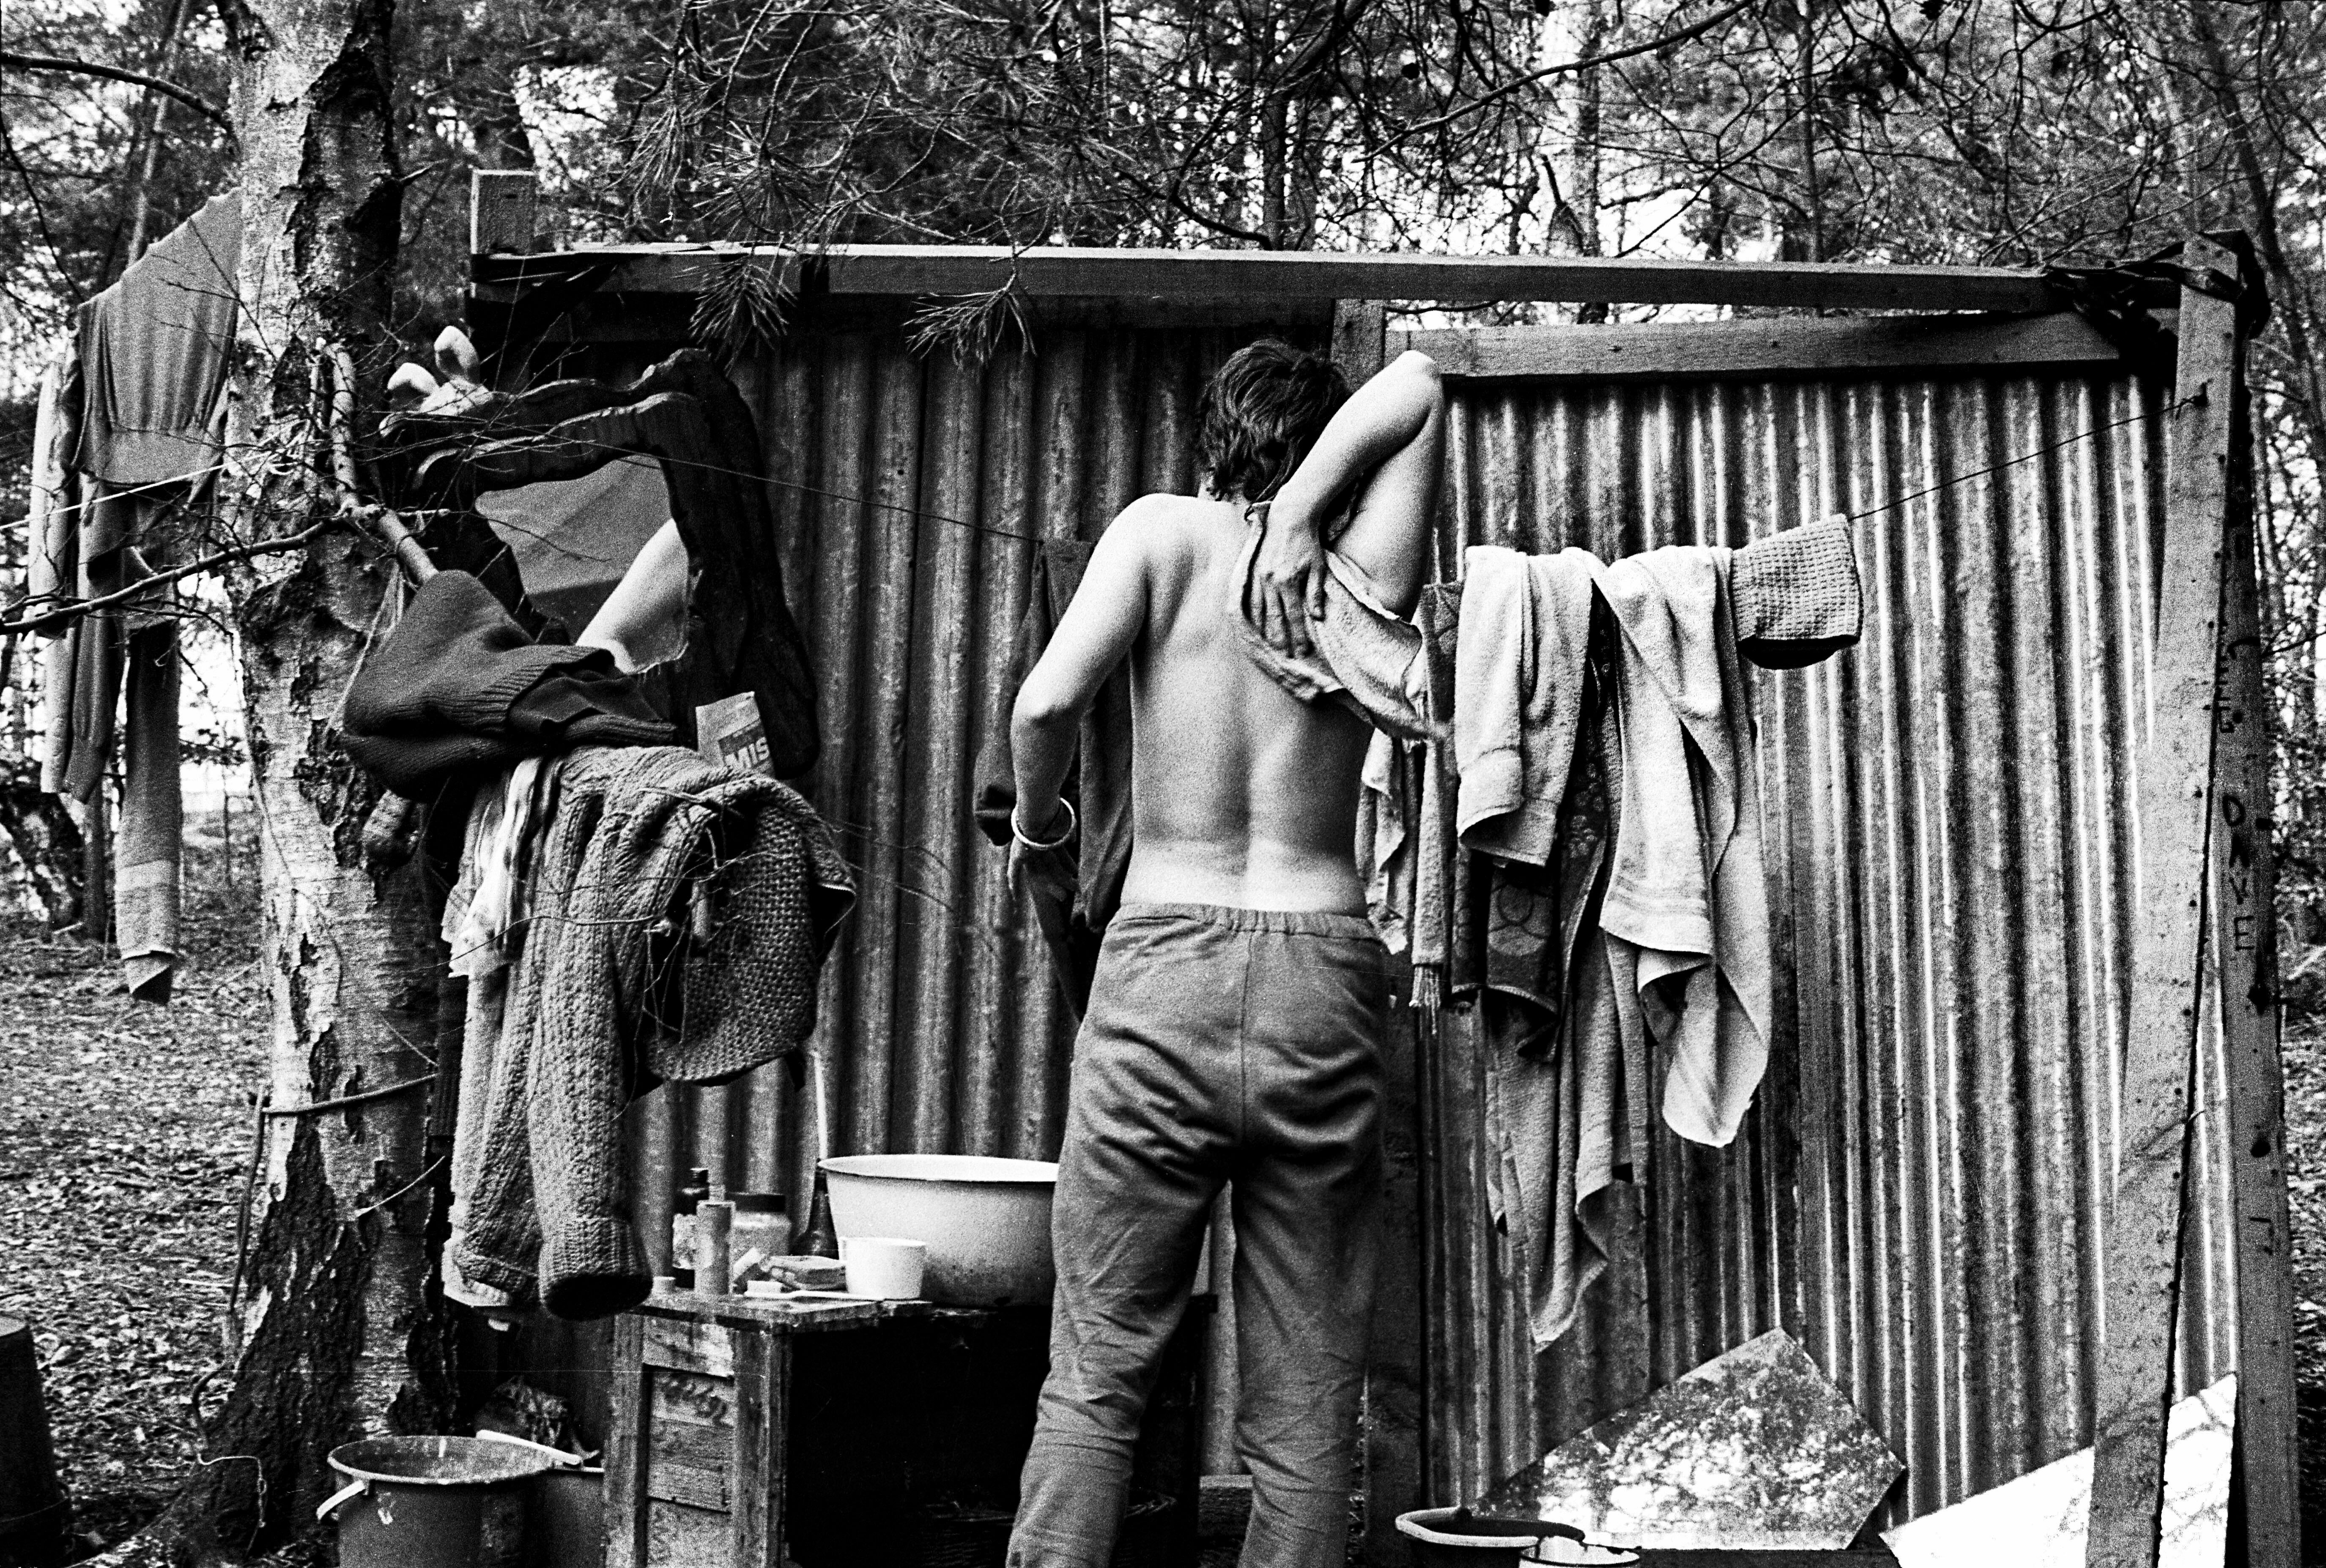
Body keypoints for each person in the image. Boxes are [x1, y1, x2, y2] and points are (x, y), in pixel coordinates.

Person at [1005, 339, 1446, 1568]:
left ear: (1211, 439)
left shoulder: (1160, 533)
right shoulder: (1359, 573)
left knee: (1098, 1375)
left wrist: (1044, 830)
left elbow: (1044, 707)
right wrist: (1312, 515)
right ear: (1328, 451)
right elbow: (1423, 386)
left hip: (1164, 975)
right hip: (1323, 972)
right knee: (1308, 1411)